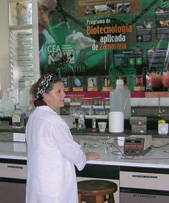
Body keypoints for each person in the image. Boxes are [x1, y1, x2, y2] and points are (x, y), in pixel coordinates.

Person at [25, 73, 100, 203]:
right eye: (59, 92)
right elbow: (72, 152)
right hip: (54, 189)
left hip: (38, 186)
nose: (64, 95)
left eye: (63, 91)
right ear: (46, 96)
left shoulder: (34, 117)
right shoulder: (54, 121)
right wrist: (86, 156)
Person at [38, 0, 95, 70]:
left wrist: (72, 49)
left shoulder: (45, 37)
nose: (46, 20)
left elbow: (55, 61)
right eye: (42, 10)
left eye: (51, 14)